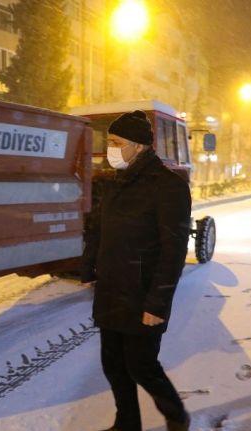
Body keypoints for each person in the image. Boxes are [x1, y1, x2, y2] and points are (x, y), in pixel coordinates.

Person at [81, 110, 192, 431]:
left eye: (116, 142)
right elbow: (97, 231)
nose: (110, 149)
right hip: (112, 289)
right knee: (113, 365)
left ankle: (176, 416)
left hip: (143, 294)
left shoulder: (168, 186)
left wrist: (157, 303)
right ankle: (127, 423)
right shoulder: (117, 183)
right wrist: (88, 268)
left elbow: (173, 251)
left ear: (140, 146)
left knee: (142, 366)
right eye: (109, 142)